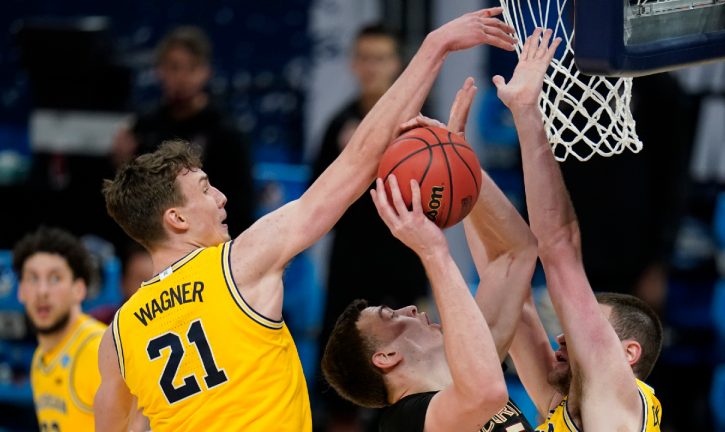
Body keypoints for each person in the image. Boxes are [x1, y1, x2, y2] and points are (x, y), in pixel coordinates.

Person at [94, 8, 515, 432]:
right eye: (205, 190)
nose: (222, 198)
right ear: (176, 219)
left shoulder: (119, 337)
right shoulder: (237, 265)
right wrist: (433, 48)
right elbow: (356, 164)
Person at [321, 74, 539, 431]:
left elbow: (515, 254)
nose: (408, 308)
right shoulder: (403, 421)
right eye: (392, 316)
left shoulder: (465, 368)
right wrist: (434, 253)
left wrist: (460, 161)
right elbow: (486, 393)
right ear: (386, 357)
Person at [492, 28, 664, 431]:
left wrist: (463, 164)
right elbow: (553, 254)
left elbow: (518, 289)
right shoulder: (599, 403)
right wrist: (464, 167)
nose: (563, 335)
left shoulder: (609, 403)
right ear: (627, 353)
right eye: (580, 327)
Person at [310, 24, 428, 429]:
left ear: (396, 64)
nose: (371, 67)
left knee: (407, 380)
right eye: (364, 57)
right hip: (349, 267)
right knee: (342, 383)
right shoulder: (337, 124)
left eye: (379, 58)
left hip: (403, 265)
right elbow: (315, 200)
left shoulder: (420, 127)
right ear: (352, 63)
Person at [112, 26, 254, 239]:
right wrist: (122, 164)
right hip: (153, 239)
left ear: (206, 72)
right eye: (174, 67)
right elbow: (132, 199)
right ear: (159, 70)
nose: (182, 78)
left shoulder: (225, 133)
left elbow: (241, 207)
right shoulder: (144, 126)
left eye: (191, 68)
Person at [13, 227, 106, 432]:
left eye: (55, 278)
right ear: (20, 291)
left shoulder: (97, 351)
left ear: (79, 289)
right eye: (32, 278)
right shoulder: (40, 357)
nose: (42, 291)